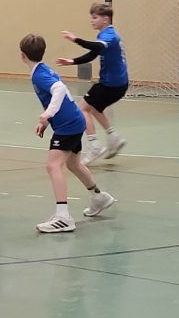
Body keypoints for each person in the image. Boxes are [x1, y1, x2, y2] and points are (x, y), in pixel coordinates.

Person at [21, 33, 116, 233]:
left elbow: (59, 89)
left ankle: (63, 217)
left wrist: (47, 115)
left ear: (22, 55)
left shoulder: (39, 75)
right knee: (73, 163)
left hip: (68, 125)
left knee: (53, 166)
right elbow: (56, 96)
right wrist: (48, 121)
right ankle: (99, 197)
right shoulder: (43, 69)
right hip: (74, 120)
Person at [57, 2, 129, 165]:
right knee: (95, 108)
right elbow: (93, 54)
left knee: (82, 108)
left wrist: (75, 39)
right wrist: (72, 61)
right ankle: (113, 137)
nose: (92, 20)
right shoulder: (105, 34)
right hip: (117, 84)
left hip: (111, 84)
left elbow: (95, 47)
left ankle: (94, 145)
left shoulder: (110, 36)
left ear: (105, 19)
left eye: (95, 17)